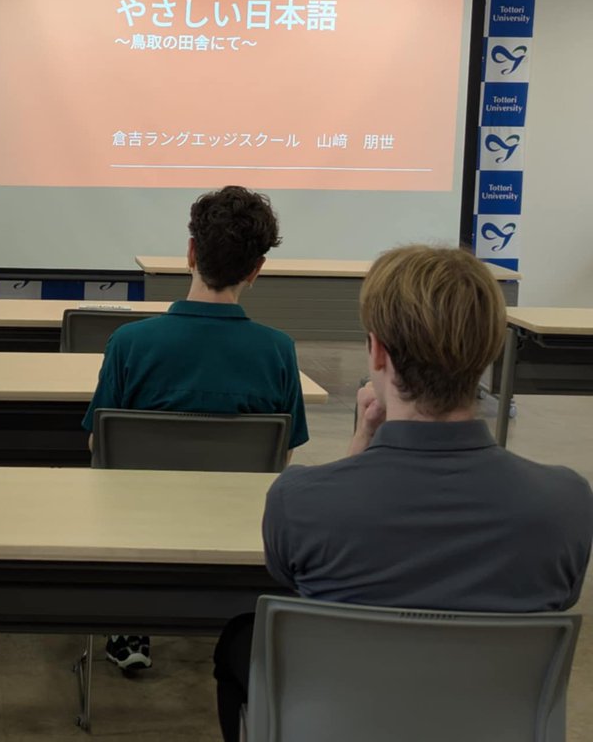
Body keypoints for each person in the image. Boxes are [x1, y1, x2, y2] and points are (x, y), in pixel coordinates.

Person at [212, 245, 593, 742]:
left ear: (377, 351)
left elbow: (292, 572)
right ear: (490, 352)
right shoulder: (565, 504)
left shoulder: (299, 500)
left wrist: (360, 444)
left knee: (239, 641)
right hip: (485, 724)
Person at [83, 185, 308, 672]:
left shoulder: (129, 344)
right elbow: (282, 457)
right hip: (235, 527)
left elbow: (99, 445)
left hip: (138, 529)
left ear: (190, 253)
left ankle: (128, 620)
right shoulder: (278, 351)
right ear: (257, 270)